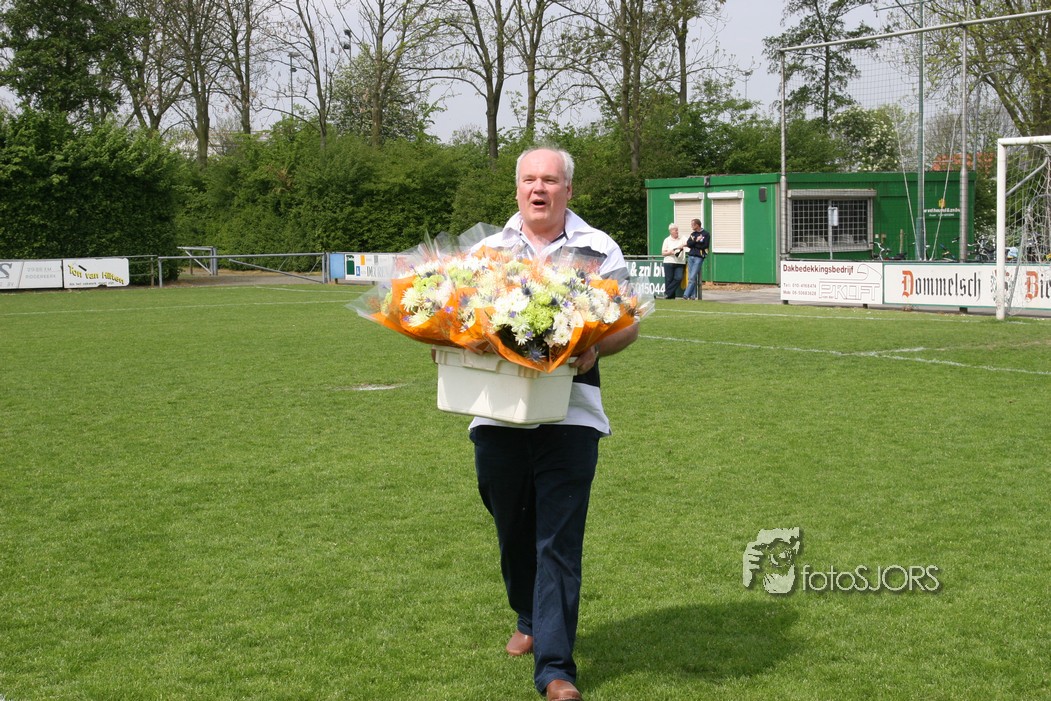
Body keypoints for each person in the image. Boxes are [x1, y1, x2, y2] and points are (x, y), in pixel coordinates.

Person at [469, 147, 640, 701]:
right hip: (497, 412)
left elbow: (627, 323)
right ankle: (527, 612)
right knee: (512, 528)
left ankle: (556, 669)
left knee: (558, 540)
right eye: (529, 179)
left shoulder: (599, 248)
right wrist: (457, 341)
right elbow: (460, 317)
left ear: (568, 189)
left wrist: (595, 348)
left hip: (572, 414)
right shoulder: (487, 251)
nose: (537, 188)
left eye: (549, 179)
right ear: (517, 188)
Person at [682, 218, 711, 300]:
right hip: (691, 256)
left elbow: (704, 246)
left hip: (699, 257)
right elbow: (689, 244)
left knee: (692, 277)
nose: (691, 226)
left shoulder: (706, 234)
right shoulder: (693, 234)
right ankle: (693, 296)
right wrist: (696, 241)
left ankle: (686, 295)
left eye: (692, 225)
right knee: (691, 277)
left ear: (697, 225)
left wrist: (694, 244)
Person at [660, 223, 687, 299]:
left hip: (679, 262)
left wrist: (682, 246)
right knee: (669, 280)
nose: (677, 232)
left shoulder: (682, 238)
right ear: (671, 231)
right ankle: (670, 297)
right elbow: (663, 253)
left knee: (679, 278)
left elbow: (689, 243)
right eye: (675, 230)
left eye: (677, 230)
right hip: (668, 261)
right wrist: (670, 252)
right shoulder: (667, 240)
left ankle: (667, 293)